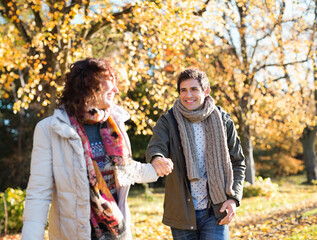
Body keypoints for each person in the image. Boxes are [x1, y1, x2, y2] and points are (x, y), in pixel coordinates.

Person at [21, 58, 166, 240]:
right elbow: (39, 193)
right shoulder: (50, 129)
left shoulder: (114, 125)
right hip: (75, 233)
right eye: (110, 81)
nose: (116, 89)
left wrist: (156, 168)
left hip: (116, 230)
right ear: (88, 83)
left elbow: (126, 171)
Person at [146, 68, 246, 240]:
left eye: (194, 89)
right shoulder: (168, 121)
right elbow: (156, 147)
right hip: (182, 212)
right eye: (183, 90)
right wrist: (157, 159)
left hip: (216, 209)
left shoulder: (223, 120)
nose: (188, 95)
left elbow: (238, 162)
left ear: (206, 91)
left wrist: (234, 198)